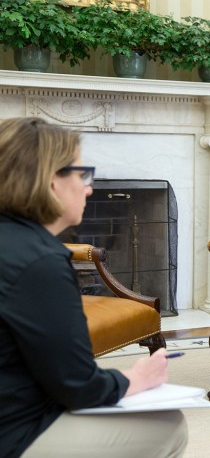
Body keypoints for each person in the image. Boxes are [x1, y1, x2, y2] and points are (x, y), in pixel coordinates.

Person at [0, 117, 187, 458]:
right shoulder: (39, 261)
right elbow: (77, 386)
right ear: (49, 180)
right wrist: (136, 377)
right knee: (168, 425)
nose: (89, 188)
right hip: (12, 433)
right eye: (82, 174)